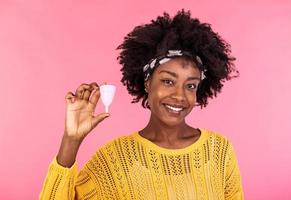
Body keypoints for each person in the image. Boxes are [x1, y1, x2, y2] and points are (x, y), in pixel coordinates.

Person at [39, 9, 244, 200]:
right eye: (168, 81)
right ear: (148, 82)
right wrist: (71, 140)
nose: (180, 95)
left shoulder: (219, 151)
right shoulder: (114, 160)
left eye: (190, 85)